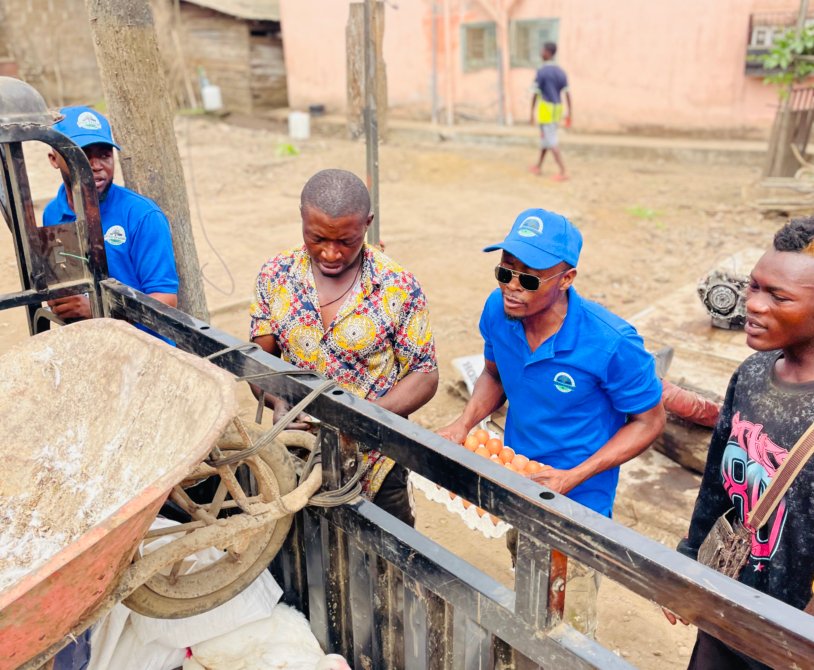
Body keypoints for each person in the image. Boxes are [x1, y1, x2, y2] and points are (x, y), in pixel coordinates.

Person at [438, 207, 665, 635]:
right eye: (504, 272)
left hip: (578, 503)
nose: (511, 289)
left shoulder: (611, 343)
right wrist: (462, 424)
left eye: (528, 278)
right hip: (517, 478)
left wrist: (572, 476)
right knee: (529, 586)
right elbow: (494, 372)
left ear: (567, 279)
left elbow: (649, 421)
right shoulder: (498, 312)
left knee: (568, 627)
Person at [249, 168, 439, 526]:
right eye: (317, 238)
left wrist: (362, 420)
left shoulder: (397, 287)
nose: (331, 253)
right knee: (302, 558)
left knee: (385, 569)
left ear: (367, 224)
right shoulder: (275, 276)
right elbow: (260, 360)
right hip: (296, 454)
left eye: (346, 241)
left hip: (377, 461)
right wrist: (279, 402)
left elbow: (425, 375)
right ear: (302, 219)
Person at [666, 218, 814, 670]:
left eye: (778, 296)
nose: (752, 305)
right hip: (728, 607)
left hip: (794, 638)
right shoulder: (751, 375)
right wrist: (690, 564)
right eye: (753, 287)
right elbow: (716, 484)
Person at [43, 106, 178, 320]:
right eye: (83, 155)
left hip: (143, 343)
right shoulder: (52, 214)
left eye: (105, 155)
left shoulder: (141, 215)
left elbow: (165, 300)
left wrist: (99, 308)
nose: (96, 166)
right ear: (53, 159)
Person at [529, 42, 572, 181]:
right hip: (557, 109)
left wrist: (531, 112)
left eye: (542, 50)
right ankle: (538, 166)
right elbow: (567, 93)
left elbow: (535, 93)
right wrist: (570, 112)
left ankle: (563, 171)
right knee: (545, 139)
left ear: (548, 52)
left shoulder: (542, 72)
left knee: (551, 140)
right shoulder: (561, 72)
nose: (541, 53)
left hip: (546, 109)